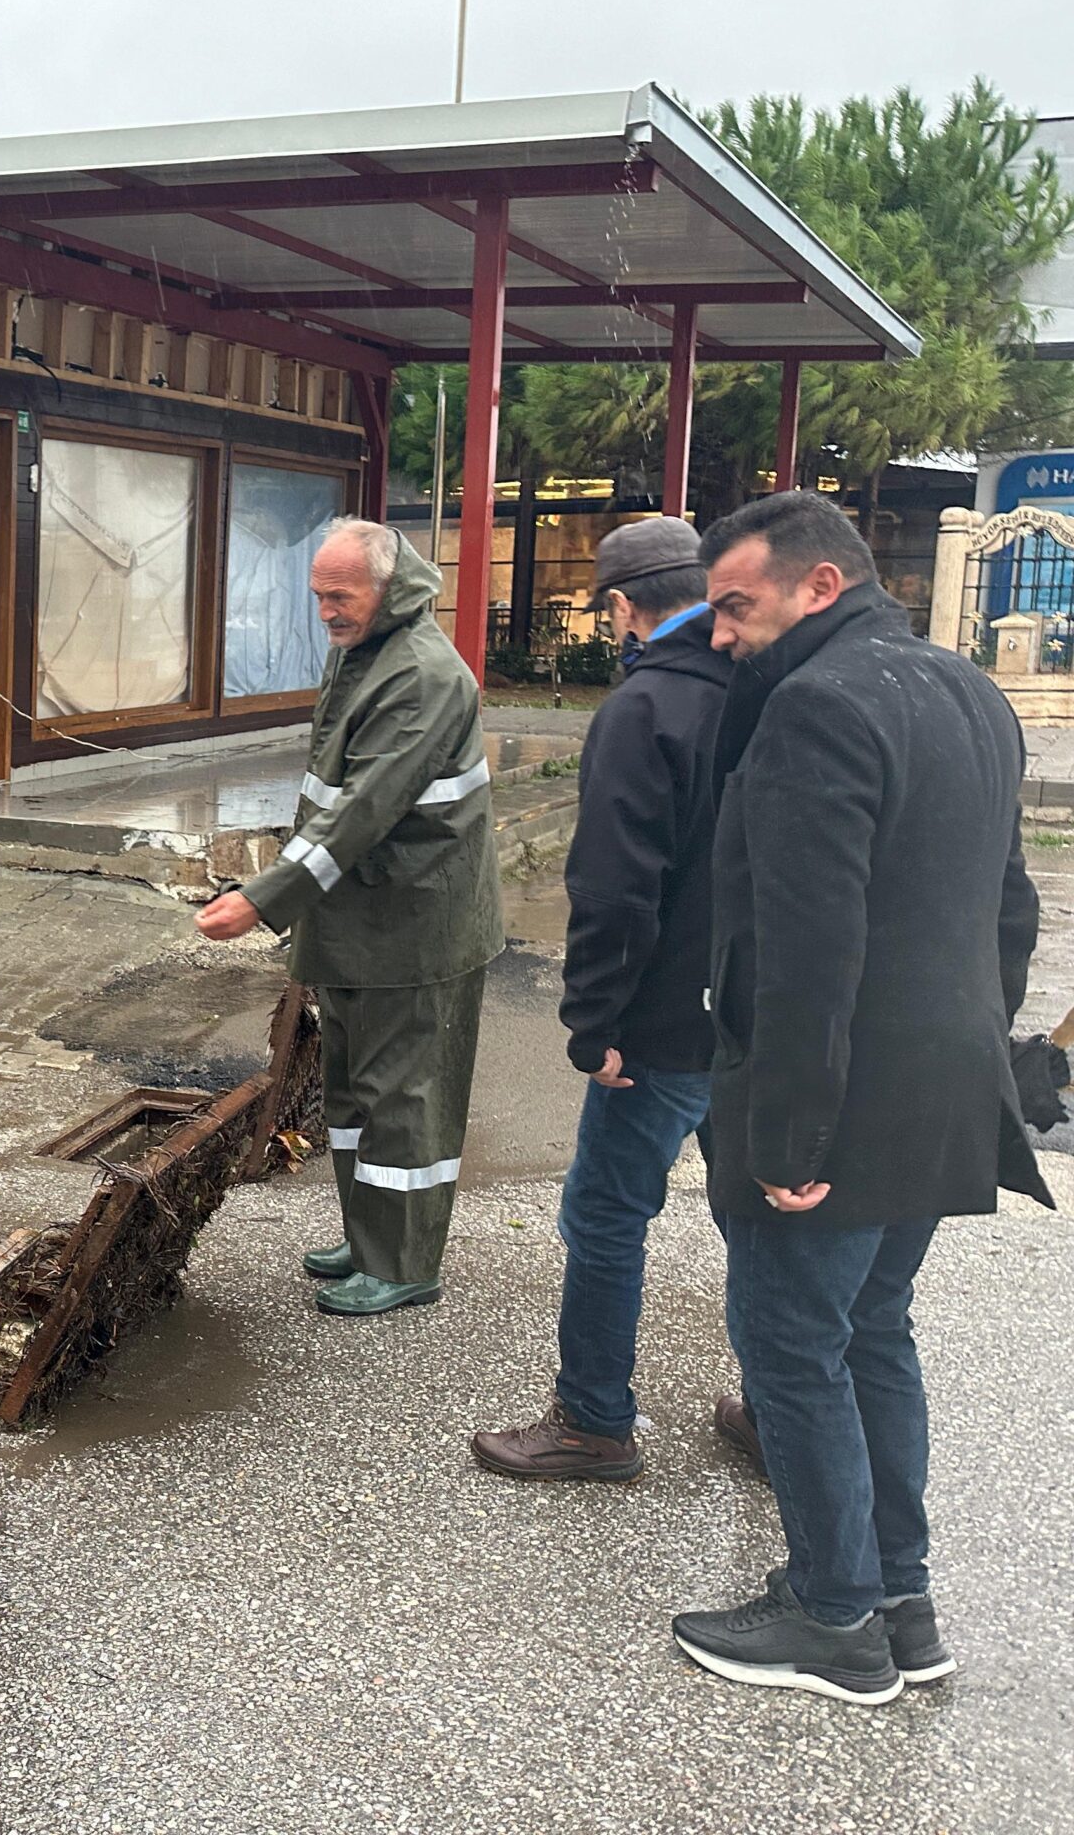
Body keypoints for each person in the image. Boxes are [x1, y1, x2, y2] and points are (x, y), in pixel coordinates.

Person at [669, 490, 1052, 1705]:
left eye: (735, 605)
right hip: (944, 1091)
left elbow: (805, 948)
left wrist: (789, 1130)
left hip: (837, 1105)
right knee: (870, 1332)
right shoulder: (967, 691)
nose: (719, 633)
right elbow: (1011, 912)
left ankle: (833, 1621)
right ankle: (901, 1602)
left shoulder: (815, 707)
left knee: (790, 1347)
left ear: (818, 587)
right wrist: (977, 1051)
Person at [472, 518, 733, 1480]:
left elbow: (616, 886)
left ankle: (592, 1417)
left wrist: (594, 1022)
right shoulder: (773, 689)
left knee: (608, 1215)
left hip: (662, 1024)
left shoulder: (647, 706)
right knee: (755, 1214)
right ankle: (772, 1399)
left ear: (624, 607)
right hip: (756, 1014)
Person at [200, 519, 503, 1314]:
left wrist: (263, 898)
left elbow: (363, 811)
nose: (328, 611)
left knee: (404, 1099)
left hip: (415, 924)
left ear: (388, 587)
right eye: (319, 597)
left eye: (342, 595)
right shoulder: (364, 652)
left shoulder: (421, 676)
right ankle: (368, 1237)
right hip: (364, 915)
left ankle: (403, 1262)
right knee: (354, 1092)